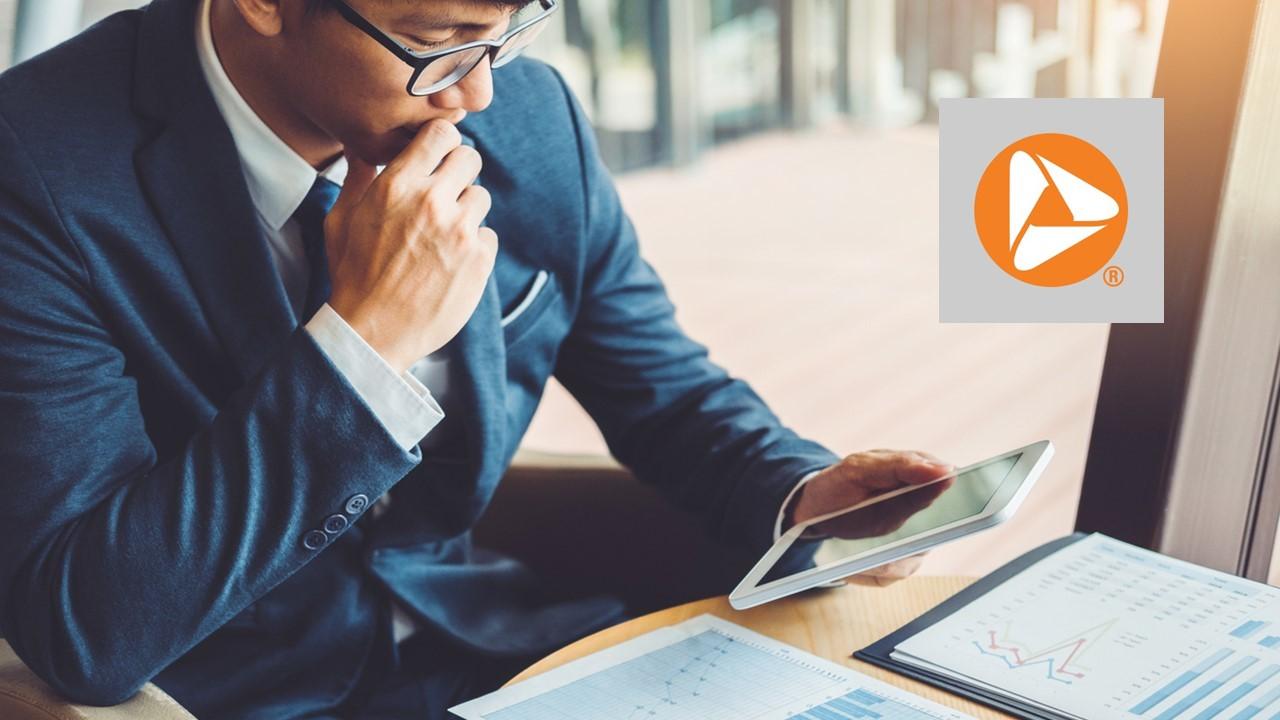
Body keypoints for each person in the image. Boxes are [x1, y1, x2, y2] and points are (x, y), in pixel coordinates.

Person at [0, 0, 955, 717]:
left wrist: (803, 498)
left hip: (501, 652)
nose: (479, 92)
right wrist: (364, 346)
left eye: (510, 30)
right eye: (441, 43)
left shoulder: (531, 121)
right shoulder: (33, 170)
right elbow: (87, 627)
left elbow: (664, 392)